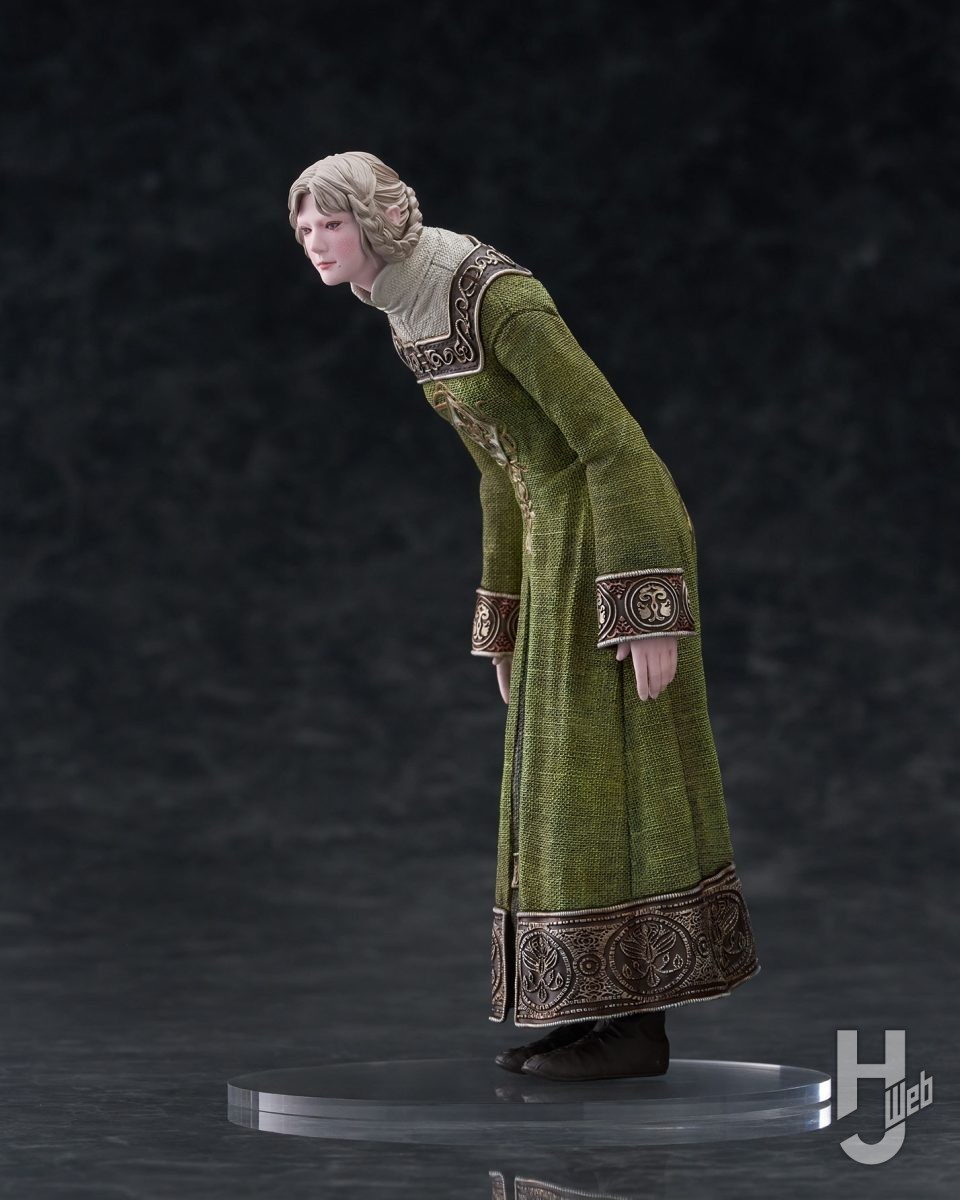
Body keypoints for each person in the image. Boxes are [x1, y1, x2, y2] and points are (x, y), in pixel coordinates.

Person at [287, 151, 760, 1082]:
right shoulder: (406, 311)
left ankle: (637, 1028)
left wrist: (647, 600)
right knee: (559, 780)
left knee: (616, 769)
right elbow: (497, 470)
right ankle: (592, 1004)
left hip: (608, 533)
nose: (314, 242)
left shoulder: (493, 297)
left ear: (375, 222)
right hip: (550, 543)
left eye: (330, 224)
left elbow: (615, 445)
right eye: (303, 227)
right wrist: (499, 614)